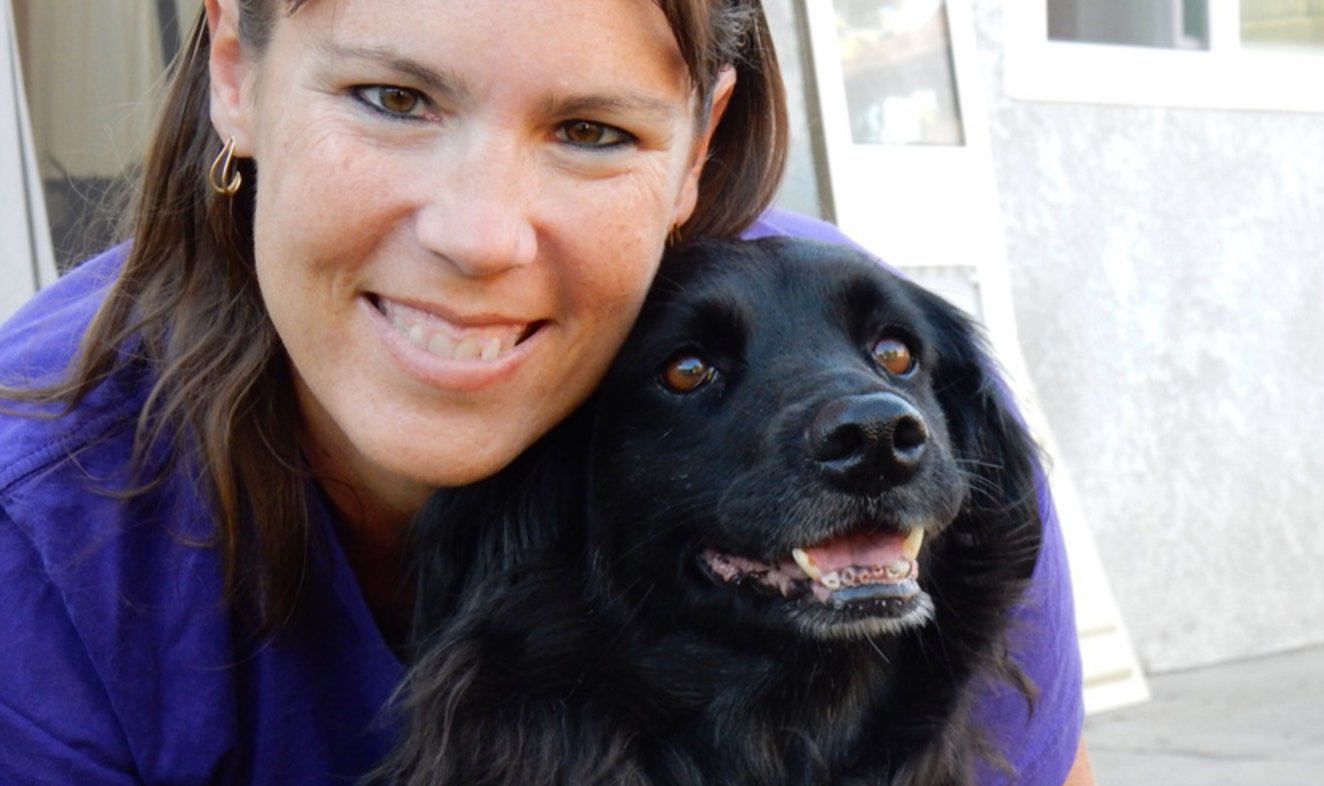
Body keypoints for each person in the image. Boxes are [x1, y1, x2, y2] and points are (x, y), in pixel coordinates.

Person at [0, 0, 1093, 783]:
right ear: (233, 68)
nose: (478, 237)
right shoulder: (39, 531)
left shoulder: (919, 407)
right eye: (392, 98)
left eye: (590, 131)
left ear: (698, 148)